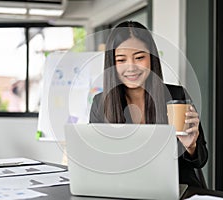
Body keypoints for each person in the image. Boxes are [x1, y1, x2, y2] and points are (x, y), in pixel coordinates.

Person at [89, 21, 208, 188]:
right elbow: (97, 161)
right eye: (121, 60)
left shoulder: (177, 95)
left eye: (139, 57)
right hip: (125, 189)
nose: (131, 67)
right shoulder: (100, 103)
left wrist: (191, 146)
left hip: (175, 189)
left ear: (151, 58)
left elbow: (200, 160)